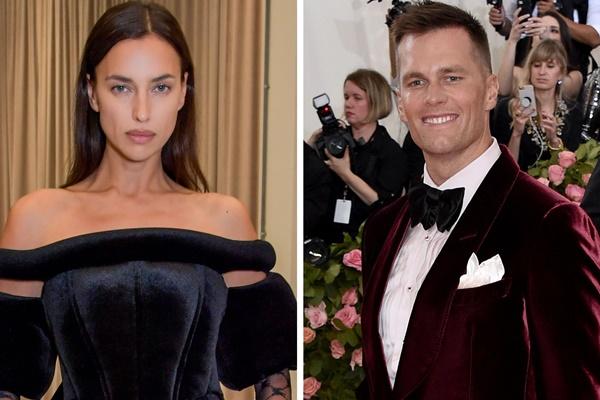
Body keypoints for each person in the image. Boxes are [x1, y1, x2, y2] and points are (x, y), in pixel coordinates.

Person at [0, 2, 295, 399]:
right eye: (121, 87)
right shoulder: (37, 218)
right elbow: (6, 380)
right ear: (92, 92)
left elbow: (270, 377)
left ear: (183, 91)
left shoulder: (223, 218)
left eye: (160, 87)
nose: (141, 112)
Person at [360, 2, 600, 399]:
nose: (433, 97)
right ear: (400, 102)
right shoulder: (380, 231)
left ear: (490, 90)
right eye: (417, 82)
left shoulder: (549, 222)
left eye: (452, 77)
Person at [306, 69, 408, 244]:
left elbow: (384, 204)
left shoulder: (390, 152)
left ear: (376, 101)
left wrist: (345, 173)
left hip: (365, 242)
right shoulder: (333, 143)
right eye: (346, 97)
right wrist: (311, 145)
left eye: (357, 98)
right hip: (323, 239)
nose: (348, 104)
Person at [492, 38, 583, 170]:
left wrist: (554, 140)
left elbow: (571, 171)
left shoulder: (573, 112)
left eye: (550, 66)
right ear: (530, 69)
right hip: (518, 180)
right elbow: (504, 169)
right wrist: (517, 133)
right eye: (537, 65)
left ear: (561, 73)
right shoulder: (508, 108)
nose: (542, 72)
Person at [496, 9, 583, 100]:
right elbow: (503, 90)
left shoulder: (574, 76)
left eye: (554, 31)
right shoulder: (518, 72)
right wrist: (513, 40)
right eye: (540, 29)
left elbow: (554, 91)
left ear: (563, 38)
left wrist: (545, 45)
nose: (544, 34)